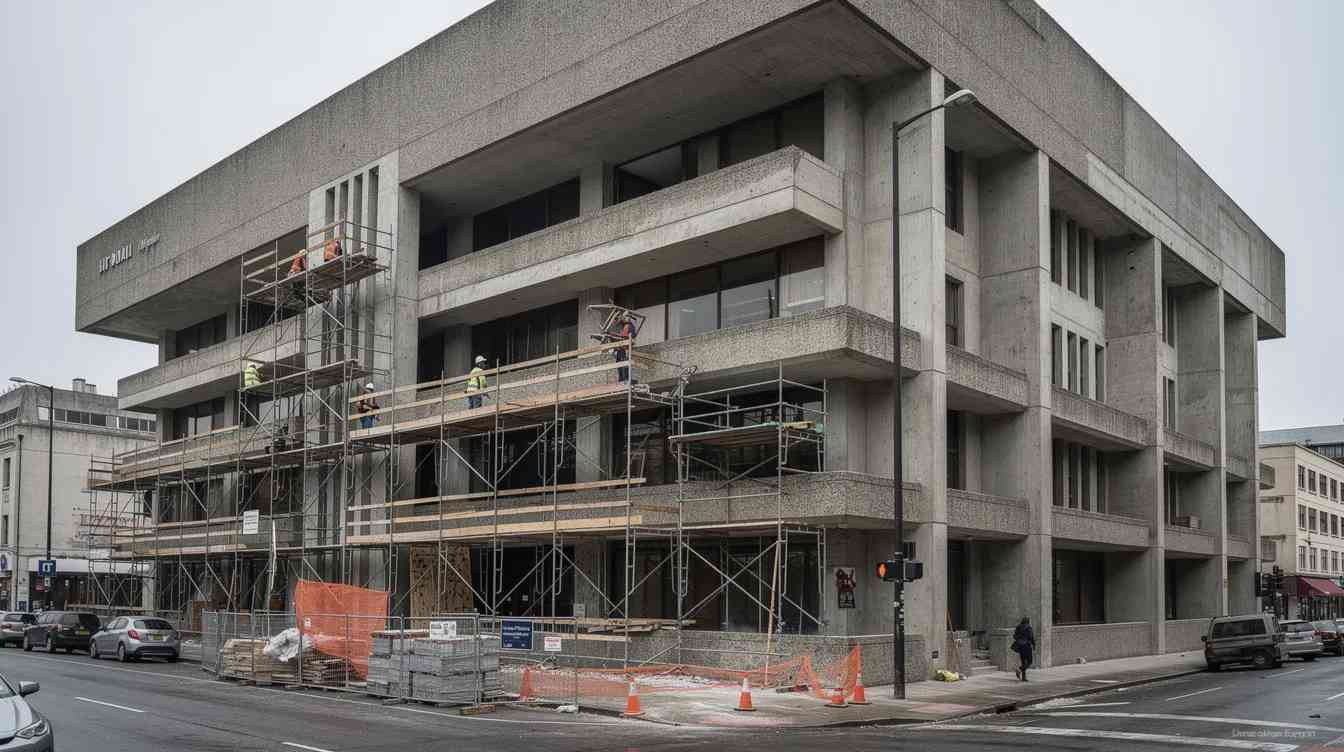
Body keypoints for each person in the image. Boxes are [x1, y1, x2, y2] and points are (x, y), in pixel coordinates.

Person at [1012, 616, 1036, 682]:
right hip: (1026, 646)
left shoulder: (1018, 627)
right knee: (1029, 661)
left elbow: (1014, 636)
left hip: (1020, 646)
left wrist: (1019, 639)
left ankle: (1023, 677)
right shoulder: (1029, 628)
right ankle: (1019, 670)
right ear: (1028, 621)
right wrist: (1034, 644)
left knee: (1023, 661)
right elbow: (1031, 637)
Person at [612, 313, 635, 383]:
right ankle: (622, 379)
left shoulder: (628, 326)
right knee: (620, 364)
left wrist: (613, 335)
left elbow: (624, 337)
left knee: (623, 363)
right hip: (621, 348)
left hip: (624, 348)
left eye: (625, 317)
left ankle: (624, 379)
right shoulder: (625, 326)